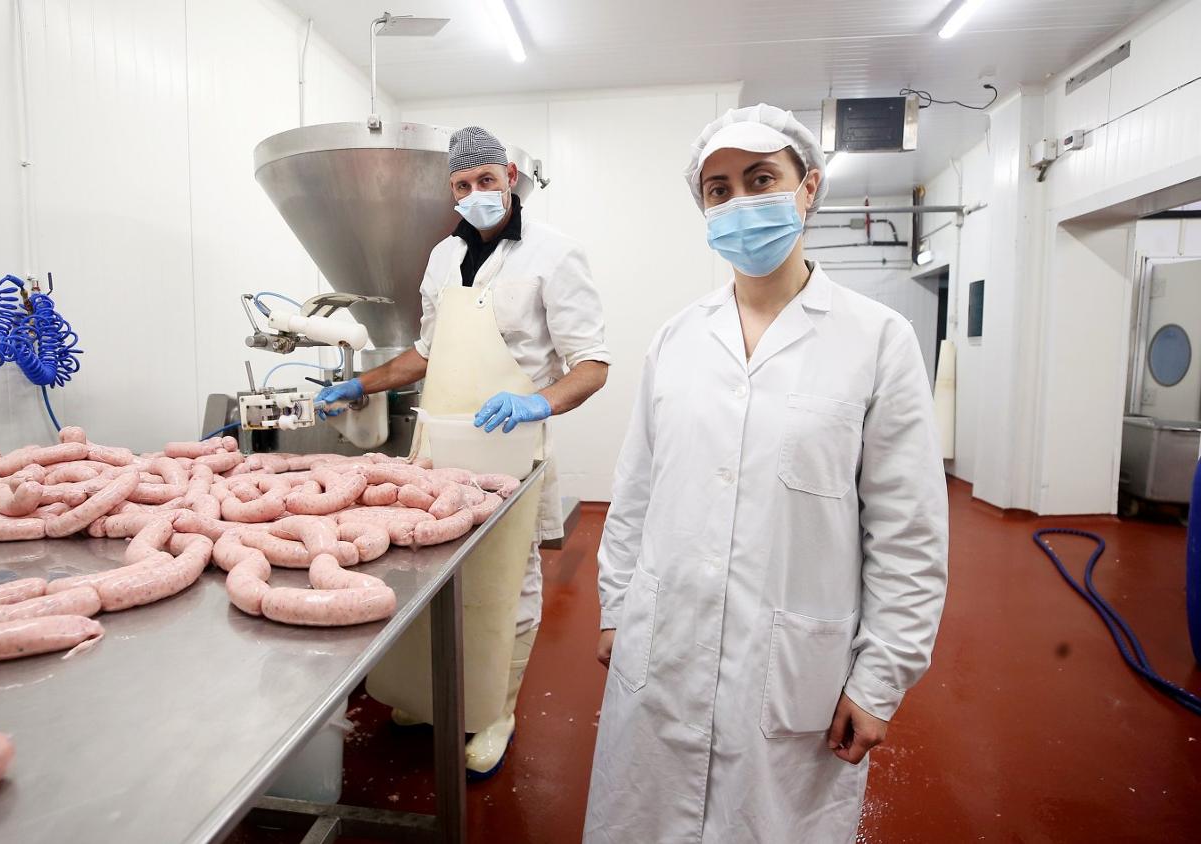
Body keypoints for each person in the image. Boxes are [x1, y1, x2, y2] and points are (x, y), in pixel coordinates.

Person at [583, 104, 948, 842]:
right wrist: (617, 608)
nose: (740, 202)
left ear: (807, 187)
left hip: (789, 674)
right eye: (719, 190)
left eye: (761, 179)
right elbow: (637, 492)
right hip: (666, 648)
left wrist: (880, 681)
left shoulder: (878, 340)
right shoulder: (677, 340)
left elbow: (907, 533)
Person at [315, 126, 611, 775]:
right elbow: (426, 353)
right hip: (440, 445)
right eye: (461, 186)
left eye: (484, 180)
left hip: (512, 443)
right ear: (450, 191)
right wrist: (360, 384)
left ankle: (493, 712)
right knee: (427, 576)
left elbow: (592, 365)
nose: (475, 193)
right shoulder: (441, 258)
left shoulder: (554, 255)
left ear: (508, 174)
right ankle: (426, 697)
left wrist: (539, 401)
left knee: (508, 581)